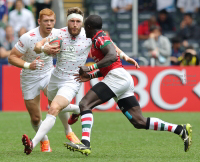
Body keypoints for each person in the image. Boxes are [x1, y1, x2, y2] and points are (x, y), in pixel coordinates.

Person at [64, 15, 192, 155]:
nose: (83, 30)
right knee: (139, 122)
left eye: (84, 27)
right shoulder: (99, 39)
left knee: (85, 104)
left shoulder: (100, 38)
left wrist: (90, 67)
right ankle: (180, 129)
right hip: (120, 78)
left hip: (117, 78)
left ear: (88, 27)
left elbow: (112, 56)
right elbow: (110, 64)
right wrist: (92, 75)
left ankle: (85, 144)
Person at [20, 7, 140, 155]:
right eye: (72, 21)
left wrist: (124, 56)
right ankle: (78, 110)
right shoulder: (58, 33)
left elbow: (111, 45)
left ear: (82, 23)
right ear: (67, 22)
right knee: (55, 106)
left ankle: (34, 142)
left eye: (78, 21)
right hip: (55, 78)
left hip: (72, 80)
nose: (75, 24)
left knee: (53, 109)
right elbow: (38, 46)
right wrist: (45, 49)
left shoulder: (88, 35)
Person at [8, 8, 81, 154]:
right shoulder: (28, 37)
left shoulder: (58, 33)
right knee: (35, 118)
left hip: (49, 74)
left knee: (56, 104)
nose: (49, 24)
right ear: (39, 21)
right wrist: (29, 65)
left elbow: (78, 31)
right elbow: (12, 57)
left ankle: (69, 130)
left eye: (52, 21)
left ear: (55, 22)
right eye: (46, 21)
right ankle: (44, 140)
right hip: (29, 77)